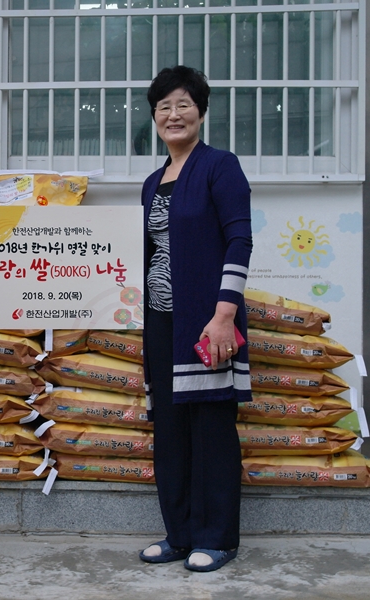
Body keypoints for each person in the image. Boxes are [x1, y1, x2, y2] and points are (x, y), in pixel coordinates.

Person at [137, 65, 252, 573]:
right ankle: (179, 534)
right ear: (154, 118)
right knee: (171, 429)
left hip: (208, 325)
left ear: (201, 112)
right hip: (163, 322)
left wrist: (224, 313)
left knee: (210, 428)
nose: (173, 114)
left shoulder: (220, 166)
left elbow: (240, 239)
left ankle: (217, 537)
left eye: (183, 104)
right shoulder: (151, 182)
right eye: (163, 107)